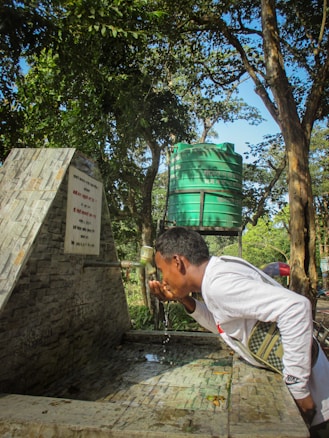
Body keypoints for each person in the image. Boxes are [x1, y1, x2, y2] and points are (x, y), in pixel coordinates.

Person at [149, 227, 329, 438]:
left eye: (163, 270)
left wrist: (298, 388)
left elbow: (296, 308)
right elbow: (223, 322)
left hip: (315, 399)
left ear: (178, 262)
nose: (164, 279)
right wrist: (183, 298)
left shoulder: (219, 286)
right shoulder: (220, 270)